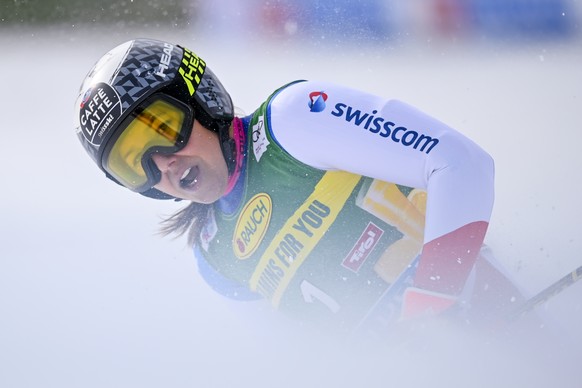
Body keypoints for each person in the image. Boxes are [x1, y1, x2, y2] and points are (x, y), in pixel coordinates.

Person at [74, 38, 526, 336]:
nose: (164, 165)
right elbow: (298, 366)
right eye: (135, 164)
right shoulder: (217, 258)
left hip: (503, 328)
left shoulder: (293, 121)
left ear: (201, 99)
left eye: (163, 128)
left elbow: (460, 164)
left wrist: (432, 307)